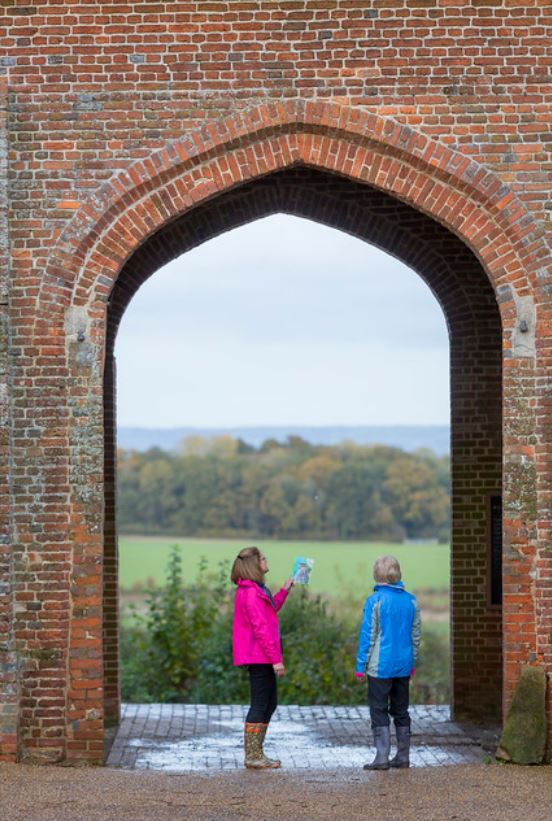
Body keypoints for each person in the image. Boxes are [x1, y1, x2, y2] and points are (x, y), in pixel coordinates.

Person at [355, 555, 421, 770]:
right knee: (401, 710)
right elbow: (416, 636)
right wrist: (412, 663)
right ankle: (403, 756)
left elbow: (368, 636)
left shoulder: (375, 601)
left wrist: (360, 666)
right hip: (403, 665)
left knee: (379, 709)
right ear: (397, 574)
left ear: (377, 575)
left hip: (380, 666)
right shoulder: (412, 601)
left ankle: (382, 757)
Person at [231, 546, 294, 769]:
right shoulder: (249, 593)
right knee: (260, 703)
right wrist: (276, 659)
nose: (266, 561)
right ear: (253, 565)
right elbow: (261, 629)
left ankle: (257, 752)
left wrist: (284, 590)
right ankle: (252, 755)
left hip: (262, 654)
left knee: (270, 702)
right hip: (258, 655)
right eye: (263, 558)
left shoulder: (258, 589)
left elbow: (270, 610)